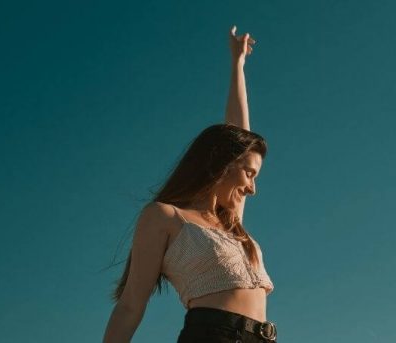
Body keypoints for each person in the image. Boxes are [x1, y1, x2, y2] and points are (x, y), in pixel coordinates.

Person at [103, 25, 278, 343]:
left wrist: (237, 64)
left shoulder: (230, 221)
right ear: (222, 162)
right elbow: (130, 305)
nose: (252, 188)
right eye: (249, 174)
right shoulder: (165, 217)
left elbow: (239, 131)